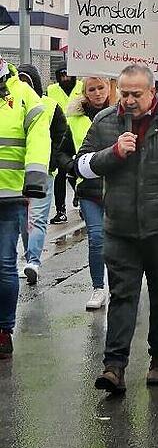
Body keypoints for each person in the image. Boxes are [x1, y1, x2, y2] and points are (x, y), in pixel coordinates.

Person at [77, 64, 158, 394]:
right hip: (120, 227)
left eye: (136, 94)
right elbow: (80, 164)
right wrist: (113, 153)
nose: (129, 100)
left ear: (153, 92)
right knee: (122, 295)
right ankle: (114, 366)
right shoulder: (105, 121)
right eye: (124, 93)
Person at [0, 59, 50, 359]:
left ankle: (3, 329)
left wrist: (34, 179)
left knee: (4, 263)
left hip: (9, 195)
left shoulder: (24, 95)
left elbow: (39, 139)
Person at [61, 77, 114, 310]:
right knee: (96, 238)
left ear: (110, 88)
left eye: (101, 87)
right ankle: (98, 287)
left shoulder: (122, 115)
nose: (97, 93)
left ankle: (121, 285)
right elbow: (61, 151)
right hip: (88, 190)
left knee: (120, 241)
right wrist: (72, 166)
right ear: (84, 92)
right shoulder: (73, 119)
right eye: (91, 89)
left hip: (118, 188)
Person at [16, 64, 68, 286]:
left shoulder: (50, 105)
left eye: (27, 81)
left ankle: (34, 262)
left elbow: (61, 134)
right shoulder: (10, 104)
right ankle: (29, 257)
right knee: (22, 221)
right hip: (15, 173)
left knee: (36, 218)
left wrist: (52, 160)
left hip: (42, 172)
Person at [47, 61, 83, 225]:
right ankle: (60, 210)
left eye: (68, 74)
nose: (66, 78)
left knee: (77, 173)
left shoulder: (82, 87)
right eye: (62, 75)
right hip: (60, 138)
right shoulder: (51, 90)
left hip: (79, 136)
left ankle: (80, 198)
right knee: (59, 174)